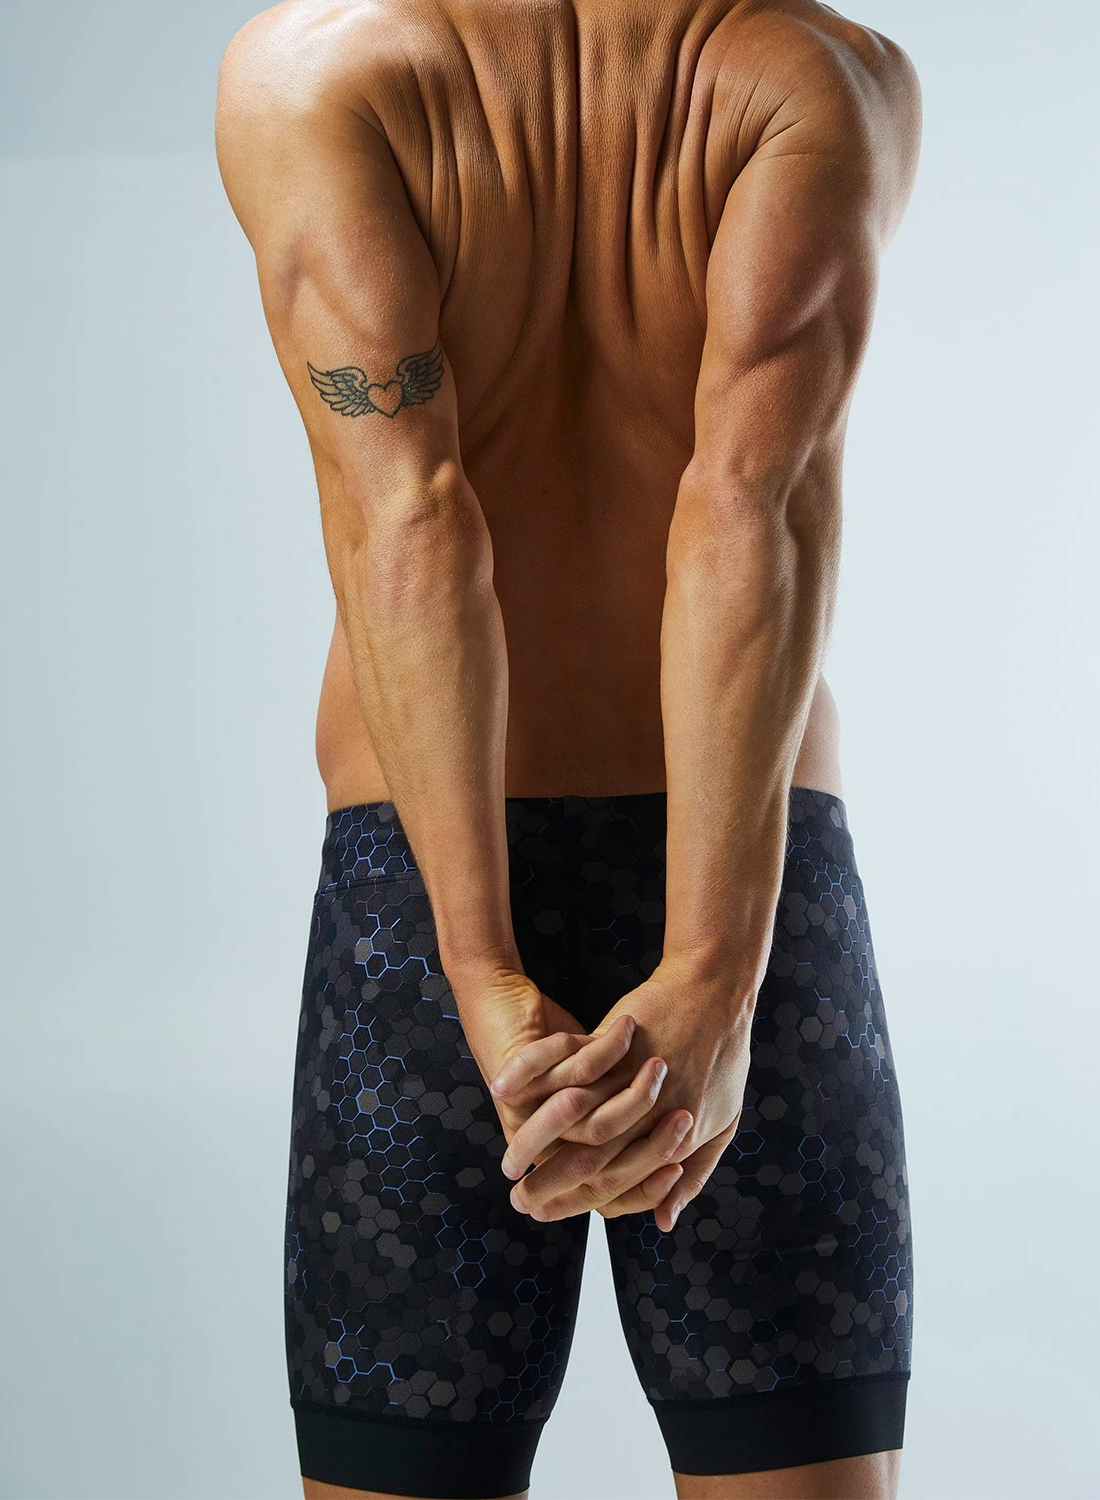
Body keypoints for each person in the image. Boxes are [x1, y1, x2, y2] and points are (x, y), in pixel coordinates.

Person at [216, 0, 921, 1494]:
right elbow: (747, 507)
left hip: (424, 881)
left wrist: (478, 972)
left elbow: (410, 515)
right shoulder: (811, 79)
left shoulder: (320, 75)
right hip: (746, 871)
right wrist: (714, 970)